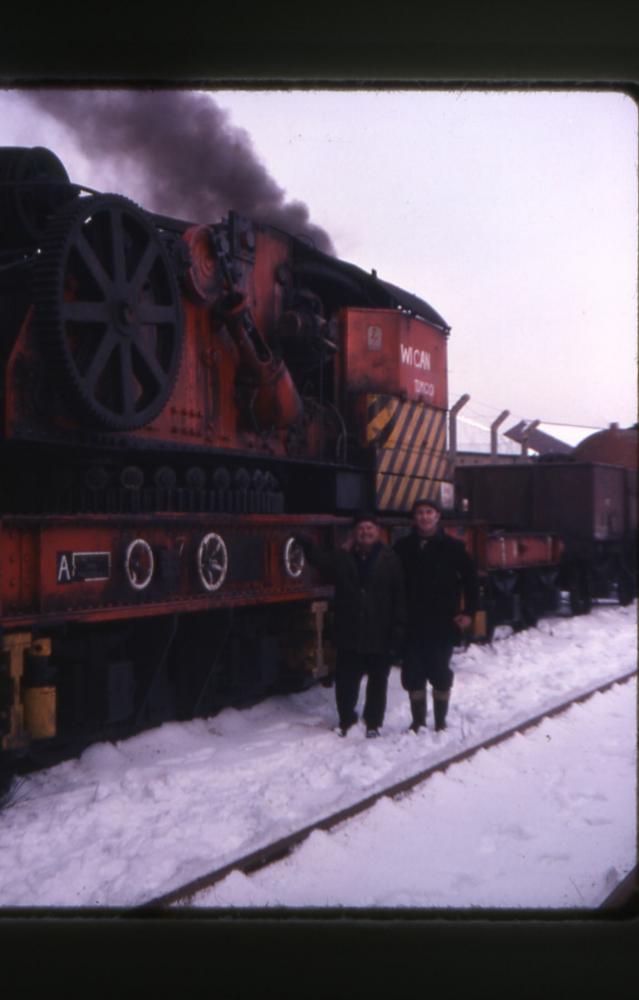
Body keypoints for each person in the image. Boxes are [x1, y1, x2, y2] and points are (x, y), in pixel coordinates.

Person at [296, 512, 405, 738]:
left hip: (380, 630)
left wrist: (398, 627)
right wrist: (306, 543)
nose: (365, 532)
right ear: (354, 534)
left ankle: (373, 722)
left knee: (378, 681)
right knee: (347, 679)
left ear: (377, 531)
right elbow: (320, 561)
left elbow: (399, 596)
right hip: (350, 629)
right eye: (361, 529)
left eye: (370, 528)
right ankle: (347, 719)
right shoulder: (342, 557)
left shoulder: (391, 560)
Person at [393, 498, 479, 733]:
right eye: (419, 513)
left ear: (438, 516)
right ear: (414, 518)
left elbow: (472, 582)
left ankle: (440, 722)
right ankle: (418, 722)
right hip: (412, 622)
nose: (424, 517)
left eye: (429, 512)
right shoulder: (402, 548)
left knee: (440, 671)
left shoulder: (453, 547)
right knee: (413, 673)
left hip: (443, 621)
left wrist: (469, 613)